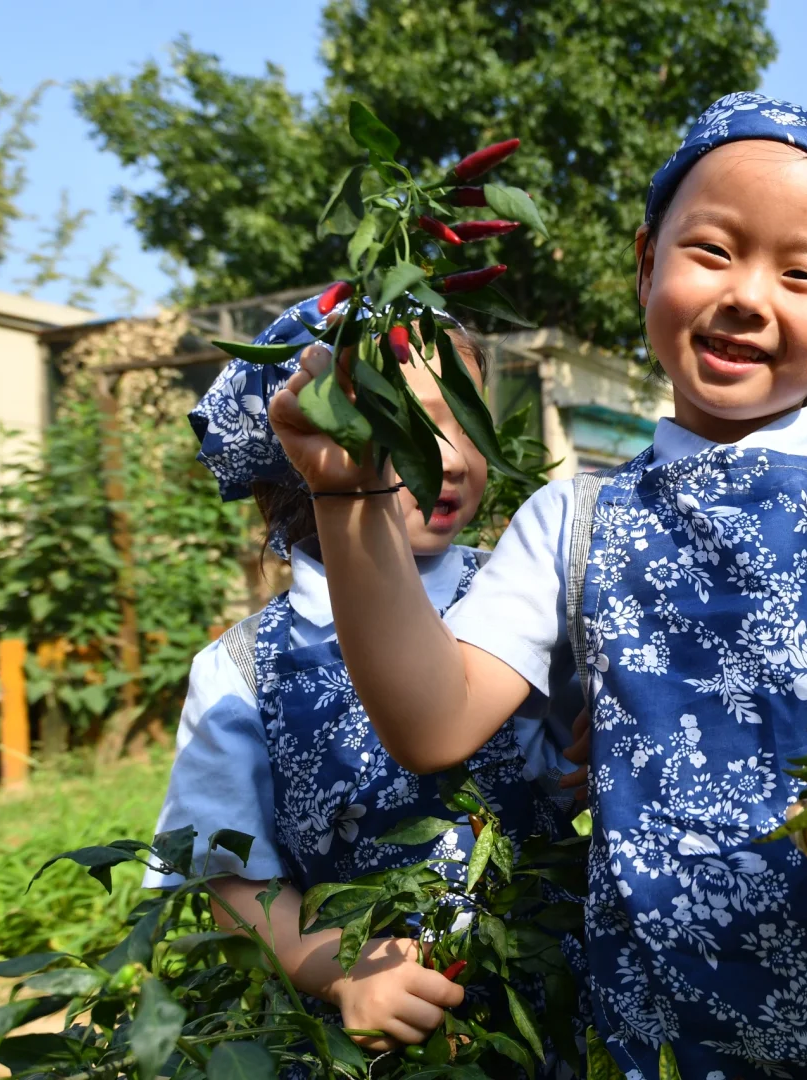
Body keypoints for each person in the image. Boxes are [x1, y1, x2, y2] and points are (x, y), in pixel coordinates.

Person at [266, 92, 807, 1079]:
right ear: (646, 264)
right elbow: (432, 723)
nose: (748, 296)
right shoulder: (571, 519)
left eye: (800, 273)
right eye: (712, 251)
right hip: (677, 1027)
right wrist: (348, 498)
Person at [144, 297, 574, 1055]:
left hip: (552, 1004)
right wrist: (340, 970)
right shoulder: (241, 669)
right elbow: (235, 884)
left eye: (466, 420)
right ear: (299, 448)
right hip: (375, 1035)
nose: (450, 457)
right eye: (402, 429)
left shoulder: (527, 594)